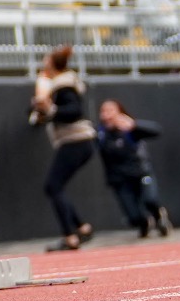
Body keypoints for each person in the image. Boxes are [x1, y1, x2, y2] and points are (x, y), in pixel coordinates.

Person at [29, 45, 95, 250]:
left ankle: (70, 236)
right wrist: (40, 112)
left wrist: (50, 110)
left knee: (53, 186)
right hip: (77, 142)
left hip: (76, 140)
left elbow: (74, 111)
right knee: (55, 186)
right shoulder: (59, 85)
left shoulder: (63, 85)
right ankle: (81, 228)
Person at [95, 100, 171, 238]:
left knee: (150, 200)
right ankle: (145, 223)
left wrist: (135, 125)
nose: (107, 115)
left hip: (140, 173)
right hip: (120, 179)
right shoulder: (101, 134)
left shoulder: (130, 130)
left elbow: (156, 130)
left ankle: (159, 216)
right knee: (133, 216)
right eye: (104, 111)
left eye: (111, 111)